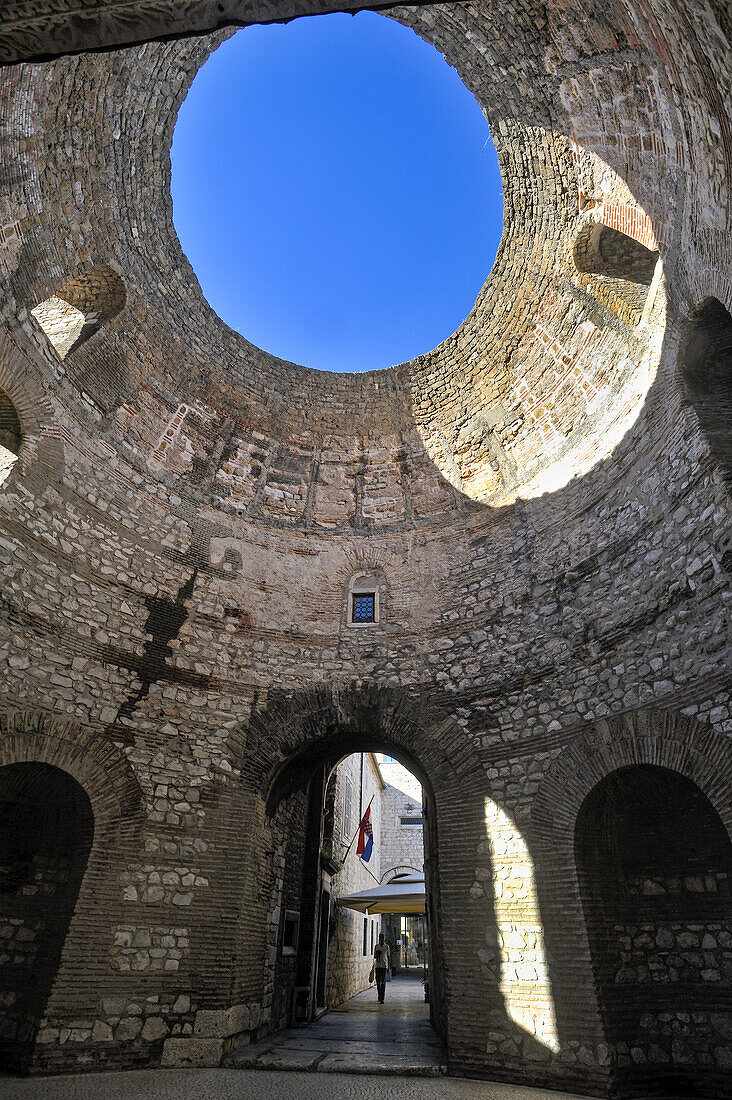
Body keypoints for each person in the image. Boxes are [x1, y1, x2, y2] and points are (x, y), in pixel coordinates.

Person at [373, 932, 391, 1004]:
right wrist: (377, 954)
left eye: (382, 938)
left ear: (384, 938)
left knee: (383, 982)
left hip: (384, 966)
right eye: (380, 937)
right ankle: (379, 995)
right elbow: (374, 956)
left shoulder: (386, 947)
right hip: (377, 966)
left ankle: (382, 998)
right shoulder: (376, 946)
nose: (381, 939)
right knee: (378, 981)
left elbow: (389, 957)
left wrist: (388, 967)